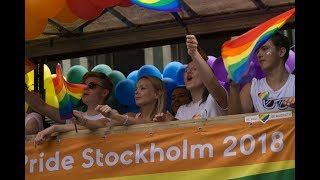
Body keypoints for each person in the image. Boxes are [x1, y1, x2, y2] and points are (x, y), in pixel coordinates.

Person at [153, 35, 229, 121]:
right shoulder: (182, 110)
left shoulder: (213, 99)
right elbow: (183, 132)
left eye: (195, 68)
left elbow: (212, 82)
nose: (188, 72)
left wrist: (194, 53)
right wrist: (170, 122)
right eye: (186, 70)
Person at [30, 72, 113, 145]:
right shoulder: (74, 115)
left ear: (104, 92)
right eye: (83, 85)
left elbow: (100, 124)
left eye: (91, 85)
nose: (85, 88)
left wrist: (55, 128)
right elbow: (41, 106)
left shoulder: (111, 114)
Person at [228, 32, 295, 114]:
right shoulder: (251, 89)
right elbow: (235, 122)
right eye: (258, 51)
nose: (259, 55)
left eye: (265, 49)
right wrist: (234, 88)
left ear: (281, 52)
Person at [72, 75, 167, 128]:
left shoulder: (167, 117)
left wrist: (115, 116)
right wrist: (84, 121)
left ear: (157, 94)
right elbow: (103, 124)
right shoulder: (131, 115)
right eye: (136, 88)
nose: (136, 92)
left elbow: (147, 123)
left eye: (142, 88)